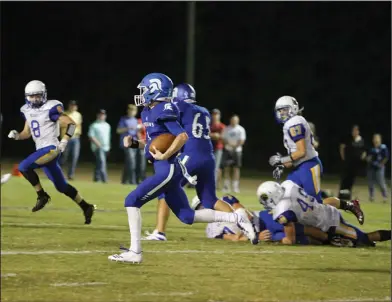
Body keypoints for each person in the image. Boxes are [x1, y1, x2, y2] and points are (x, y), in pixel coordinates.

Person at [107, 73, 257, 264]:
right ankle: (236, 218)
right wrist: (136, 143)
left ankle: (135, 252)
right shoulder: (147, 111)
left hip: (167, 169)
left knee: (132, 200)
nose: (142, 94)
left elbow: (181, 136)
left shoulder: (165, 108)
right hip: (187, 162)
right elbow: (156, 141)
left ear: (155, 90)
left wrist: (165, 154)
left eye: (145, 89)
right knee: (187, 216)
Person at [142, 84, 239, 241]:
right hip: (208, 157)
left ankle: (159, 232)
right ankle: (239, 222)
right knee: (209, 199)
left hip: (191, 155)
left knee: (165, 186)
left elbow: (172, 132)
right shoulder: (204, 111)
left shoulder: (178, 107)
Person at [7, 80, 95, 223]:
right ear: (26, 96)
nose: (35, 99)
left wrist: (64, 141)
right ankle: (86, 206)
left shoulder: (51, 107)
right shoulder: (26, 110)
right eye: (32, 96)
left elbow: (72, 124)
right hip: (41, 150)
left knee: (23, 167)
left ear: (44, 95)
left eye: (38, 95)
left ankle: (42, 195)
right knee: (61, 186)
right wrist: (17, 135)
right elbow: (26, 133)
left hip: (51, 149)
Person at [257, 180, 389, 247]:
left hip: (330, 224)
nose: (265, 202)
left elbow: (289, 240)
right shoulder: (288, 184)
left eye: (265, 199)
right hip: (324, 210)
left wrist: (275, 239)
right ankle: (348, 206)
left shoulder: (283, 211)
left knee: (364, 238)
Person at [269, 96, 323, 203]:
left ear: (293, 108)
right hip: (299, 168)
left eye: (284, 109)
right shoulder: (291, 123)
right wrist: (282, 164)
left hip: (309, 166)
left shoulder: (294, 122)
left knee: (315, 204)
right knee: (285, 198)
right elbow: (295, 157)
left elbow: (301, 152)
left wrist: (281, 160)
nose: (282, 113)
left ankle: (346, 206)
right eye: (280, 110)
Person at [338, 125, 366, 200]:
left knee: (351, 180)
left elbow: (364, 150)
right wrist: (343, 157)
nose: (355, 132)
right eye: (353, 130)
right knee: (344, 180)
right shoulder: (348, 139)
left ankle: (347, 195)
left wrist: (363, 155)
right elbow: (342, 147)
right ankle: (341, 195)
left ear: (358, 132)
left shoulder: (361, 140)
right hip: (347, 163)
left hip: (355, 164)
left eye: (356, 130)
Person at [221, 115, 246, 193]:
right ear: (230, 120)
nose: (234, 121)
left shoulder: (241, 129)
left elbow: (242, 140)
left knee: (236, 168)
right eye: (232, 120)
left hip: (237, 151)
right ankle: (226, 186)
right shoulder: (226, 129)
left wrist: (235, 147)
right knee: (227, 168)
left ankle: (235, 187)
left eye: (235, 120)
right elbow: (223, 138)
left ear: (237, 121)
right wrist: (229, 145)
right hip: (228, 150)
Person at [60, 100, 83, 180]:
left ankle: (70, 175)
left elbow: (79, 125)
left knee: (74, 157)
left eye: (74, 105)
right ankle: (59, 174)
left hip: (75, 138)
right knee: (64, 157)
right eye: (71, 105)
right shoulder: (64, 114)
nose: (73, 107)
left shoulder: (78, 115)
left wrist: (79, 132)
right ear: (69, 106)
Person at [117, 104, 139, 184]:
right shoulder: (123, 119)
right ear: (128, 111)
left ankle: (124, 180)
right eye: (131, 110)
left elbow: (137, 133)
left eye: (134, 110)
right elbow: (118, 131)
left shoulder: (136, 121)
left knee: (128, 162)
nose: (132, 112)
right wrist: (128, 128)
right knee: (132, 162)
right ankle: (132, 181)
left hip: (135, 143)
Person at [88, 109, 111, 183]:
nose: (102, 116)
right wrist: (98, 144)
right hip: (98, 147)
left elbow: (108, 137)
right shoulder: (94, 125)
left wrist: (108, 146)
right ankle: (104, 179)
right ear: (98, 115)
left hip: (106, 147)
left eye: (103, 114)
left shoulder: (107, 125)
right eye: (100, 114)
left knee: (99, 162)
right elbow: (91, 136)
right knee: (102, 162)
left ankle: (96, 178)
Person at [367, 134, 389, 203]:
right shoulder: (371, 148)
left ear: (380, 139)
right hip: (371, 167)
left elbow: (386, 157)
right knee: (370, 183)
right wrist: (368, 159)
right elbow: (368, 157)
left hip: (379, 167)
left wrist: (381, 164)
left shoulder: (383, 147)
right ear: (373, 140)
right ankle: (371, 196)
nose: (376, 140)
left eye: (377, 138)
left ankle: (384, 196)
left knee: (381, 182)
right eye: (374, 138)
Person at [210, 108, 226, 188]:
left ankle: (214, 184)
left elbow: (222, 137)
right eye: (213, 114)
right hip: (209, 148)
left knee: (216, 167)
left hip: (218, 149)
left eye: (216, 114)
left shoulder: (222, 126)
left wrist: (213, 135)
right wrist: (214, 135)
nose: (215, 116)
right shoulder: (208, 125)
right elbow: (207, 134)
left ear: (219, 116)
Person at [136, 117, 146, 183]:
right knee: (141, 164)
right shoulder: (140, 121)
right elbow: (138, 132)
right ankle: (141, 179)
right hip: (143, 145)